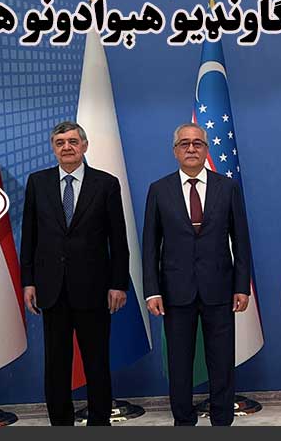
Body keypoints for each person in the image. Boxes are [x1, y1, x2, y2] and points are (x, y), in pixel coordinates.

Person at [142, 123, 253, 426]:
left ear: (206, 149)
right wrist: (152, 290)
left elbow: (241, 240)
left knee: (222, 362)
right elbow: (150, 245)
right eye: (184, 144)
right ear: (175, 151)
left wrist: (242, 286)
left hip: (220, 289)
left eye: (197, 143)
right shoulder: (159, 189)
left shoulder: (227, 187)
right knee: (179, 364)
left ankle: (222, 421)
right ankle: (183, 421)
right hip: (175, 292)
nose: (191, 149)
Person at [20, 121, 130, 426]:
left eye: (72, 141)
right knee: (56, 364)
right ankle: (60, 423)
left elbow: (118, 239)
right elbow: (29, 237)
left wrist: (118, 283)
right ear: (53, 148)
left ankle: (99, 422)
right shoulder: (38, 182)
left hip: (94, 288)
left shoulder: (105, 184)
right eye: (60, 142)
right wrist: (28, 281)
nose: (66, 147)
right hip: (51, 288)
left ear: (84, 145)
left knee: (97, 362)